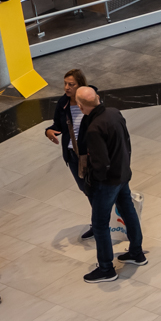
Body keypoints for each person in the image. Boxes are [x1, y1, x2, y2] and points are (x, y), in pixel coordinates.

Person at [74, 86, 148, 283]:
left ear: (81, 107)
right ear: (98, 97)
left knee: (99, 225)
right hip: (123, 173)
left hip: (108, 182)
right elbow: (127, 143)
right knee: (128, 211)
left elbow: (101, 163)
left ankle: (106, 268)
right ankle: (136, 252)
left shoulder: (94, 128)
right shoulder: (115, 113)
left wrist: (96, 183)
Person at [45, 69, 122, 241]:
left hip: (91, 153)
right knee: (86, 189)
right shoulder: (63, 104)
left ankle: (106, 222)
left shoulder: (90, 98)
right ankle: (98, 223)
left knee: (100, 189)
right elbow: (57, 124)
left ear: (80, 85)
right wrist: (49, 131)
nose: (67, 88)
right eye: (65, 84)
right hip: (73, 154)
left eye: (71, 84)